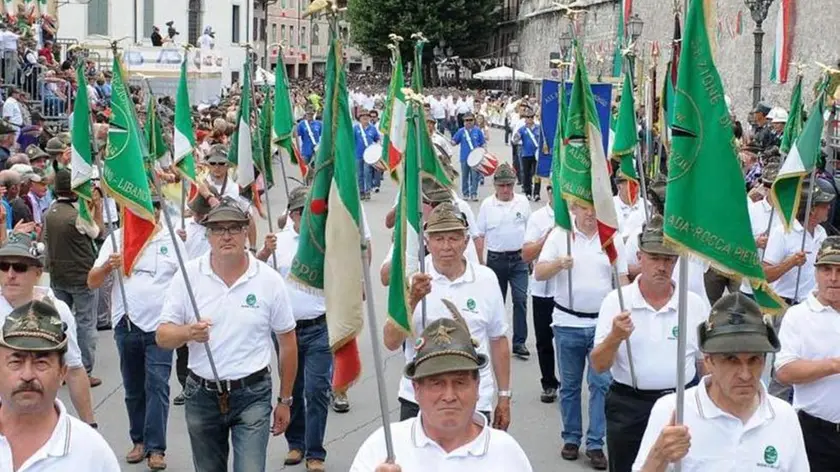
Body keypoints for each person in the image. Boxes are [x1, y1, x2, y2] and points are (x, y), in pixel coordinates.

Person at [156, 199, 298, 472]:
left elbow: (287, 340)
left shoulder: (268, 280)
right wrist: (188, 332)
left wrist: (285, 400)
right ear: (207, 235)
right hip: (201, 395)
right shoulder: (188, 276)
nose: (226, 236)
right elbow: (162, 336)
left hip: (253, 394)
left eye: (234, 228)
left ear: (246, 232)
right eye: (218, 229)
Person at [632, 293, 809, 472]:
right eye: (731, 360)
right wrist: (659, 457)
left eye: (754, 359)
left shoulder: (784, 416)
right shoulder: (673, 411)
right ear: (708, 361)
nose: (745, 375)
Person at [591, 215, 707, 472]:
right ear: (639, 257)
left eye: (668, 259)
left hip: (680, 406)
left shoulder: (694, 305)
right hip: (630, 407)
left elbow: (706, 364)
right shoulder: (616, 301)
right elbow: (598, 365)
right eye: (654, 258)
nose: (662, 266)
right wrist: (615, 337)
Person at [383, 203, 512, 427]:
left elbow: (498, 340)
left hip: (473, 398)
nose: (446, 246)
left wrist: (504, 396)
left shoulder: (486, 279)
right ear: (427, 242)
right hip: (419, 396)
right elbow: (390, 342)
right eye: (438, 238)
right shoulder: (411, 278)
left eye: (453, 238)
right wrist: (412, 300)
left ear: (466, 241)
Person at [354, 316, 531, 471]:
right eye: (436, 383)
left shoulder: (507, 454)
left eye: (460, 382)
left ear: (477, 387)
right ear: (416, 389)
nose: (449, 396)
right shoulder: (382, 447)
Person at [87, 195, 183, 470]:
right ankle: (138, 440)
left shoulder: (172, 240)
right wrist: (108, 266)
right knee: (133, 388)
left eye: (150, 208)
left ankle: (156, 448)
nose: (144, 214)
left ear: (157, 211)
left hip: (162, 327)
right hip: (126, 324)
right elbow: (91, 281)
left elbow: (187, 281)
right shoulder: (116, 240)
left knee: (157, 385)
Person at [535, 201, 630, 470]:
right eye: (584, 208)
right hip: (567, 321)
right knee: (570, 386)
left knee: (601, 384)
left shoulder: (610, 237)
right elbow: (539, 272)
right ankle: (571, 437)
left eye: (595, 208)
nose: (591, 213)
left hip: (602, 324)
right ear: (574, 209)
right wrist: (557, 264)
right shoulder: (560, 236)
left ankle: (596, 443)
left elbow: (621, 278)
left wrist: (627, 313)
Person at [257, 186, 331, 472]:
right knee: (293, 388)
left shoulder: (325, 241)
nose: (305, 217)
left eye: (310, 212)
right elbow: (255, 269)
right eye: (299, 212)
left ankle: (315, 451)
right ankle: (296, 443)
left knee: (317, 389)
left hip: (320, 327)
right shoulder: (280, 242)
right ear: (291, 214)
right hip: (287, 331)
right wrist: (264, 251)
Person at [0, 299, 120, 471]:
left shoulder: (91, 454)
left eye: (41, 363)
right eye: (16, 362)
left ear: (62, 372)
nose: (27, 375)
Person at [0, 232, 96, 426]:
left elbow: (75, 370)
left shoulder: (57, 310)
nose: (10, 275)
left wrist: (90, 426)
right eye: (3, 266)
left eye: (19, 267)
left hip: (40, 416)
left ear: (37, 272)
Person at [775, 236, 840, 471]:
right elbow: (783, 371)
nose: (833, 278)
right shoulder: (799, 316)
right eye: (826, 270)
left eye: (839, 270)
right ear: (816, 273)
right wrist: (834, 366)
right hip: (816, 434)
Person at [42, 169, 104, 387]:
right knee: (86, 324)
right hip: (82, 276)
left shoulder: (50, 212)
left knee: (58, 324)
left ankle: (59, 368)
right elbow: (98, 232)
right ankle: (84, 370)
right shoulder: (78, 216)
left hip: (58, 276)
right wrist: (97, 207)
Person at [475, 163, 531, 359]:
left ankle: (519, 342)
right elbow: (479, 235)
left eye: (509, 185)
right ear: (495, 187)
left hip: (519, 259)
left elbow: (530, 230)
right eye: (502, 186)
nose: (506, 189)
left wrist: (530, 255)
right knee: (495, 303)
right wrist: (480, 262)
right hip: (496, 259)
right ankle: (495, 339)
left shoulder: (522, 202)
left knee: (520, 300)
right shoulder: (487, 205)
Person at [522, 183, 560, 403]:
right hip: (543, 290)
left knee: (568, 341)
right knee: (544, 340)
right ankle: (549, 383)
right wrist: (546, 239)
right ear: (549, 192)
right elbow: (526, 254)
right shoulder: (538, 218)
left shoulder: (577, 216)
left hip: (565, 289)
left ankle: (569, 380)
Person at [451, 112, 485, 202]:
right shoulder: (461, 131)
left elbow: (483, 143)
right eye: (466, 120)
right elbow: (454, 141)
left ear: (474, 121)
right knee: (465, 176)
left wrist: (484, 154)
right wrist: (452, 142)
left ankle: (474, 193)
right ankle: (465, 193)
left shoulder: (478, 131)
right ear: (464, 121)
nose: (468, 122)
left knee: (475, 177)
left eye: (470, 120)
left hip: (476, 158)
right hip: (464, 158)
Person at [511, 110, 543, 200]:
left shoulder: (538, 128)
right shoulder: (522, 129)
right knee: (526, 174)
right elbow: (515, 140)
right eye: (527, 117)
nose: (529, 119)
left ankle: (536, 193)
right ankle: (528, 192)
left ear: (533, 118)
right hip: (526, 154)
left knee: (537, 174)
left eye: (531, 117)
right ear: (525, 118)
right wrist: (516, 137)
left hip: (536, 154)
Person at [354, 109, 380, 200]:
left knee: (367, 172)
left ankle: (368, 191)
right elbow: (352, 141)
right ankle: (361, 191)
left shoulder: (372, 128)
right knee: (359, 173)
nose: (365, 117)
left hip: (369, 155)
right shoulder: (356, 128)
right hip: (358, 154)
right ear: (359, 118)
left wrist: (376, 147)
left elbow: (377, 139)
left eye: (367, 116)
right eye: (362, 116)